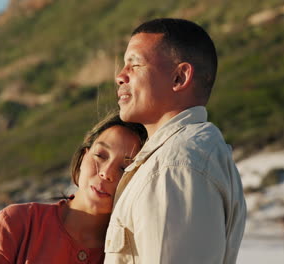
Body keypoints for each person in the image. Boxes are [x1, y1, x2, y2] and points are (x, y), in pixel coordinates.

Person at [104, 18, 247, 263]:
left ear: (179, 78)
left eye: (134, 64)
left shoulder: (174, 166)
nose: (120, 76)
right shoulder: (190, 154)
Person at [0, 112, 147, 264]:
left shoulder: (133, 252)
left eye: (125, 168)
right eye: (100, 155)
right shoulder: (16, 223)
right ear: (83, 157)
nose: (106, 173)